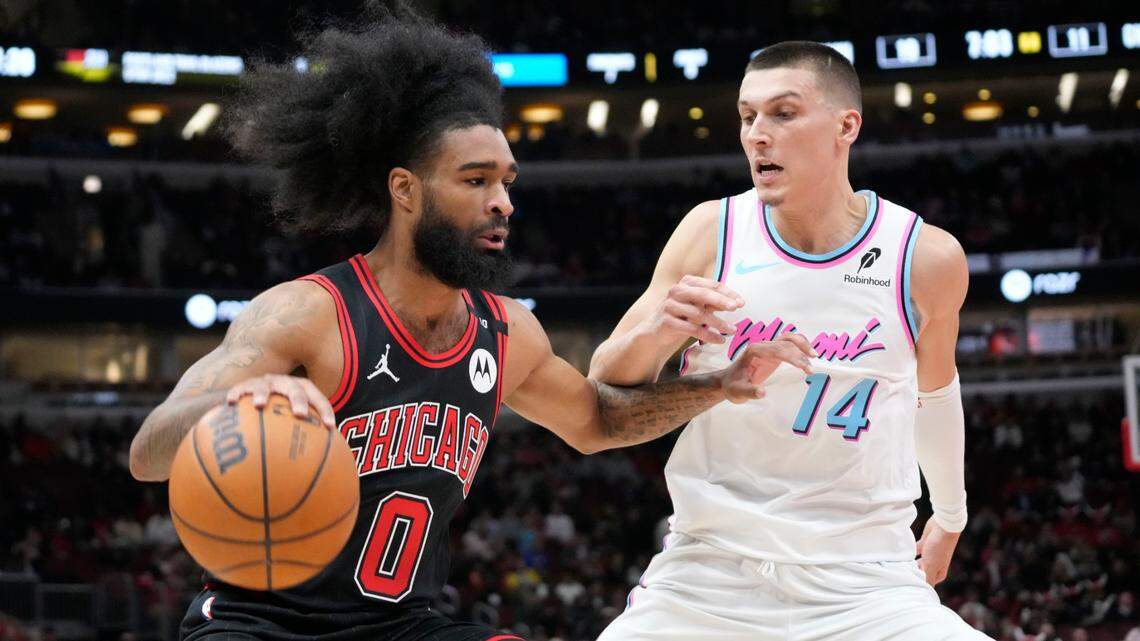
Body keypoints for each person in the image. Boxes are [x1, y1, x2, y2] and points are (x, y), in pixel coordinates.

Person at [126, 6, 814, 641]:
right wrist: (243, 403)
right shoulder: (309, 313)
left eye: (508, 181)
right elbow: (149, 449)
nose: (503, 203)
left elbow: (600, 421)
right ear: (405, 190)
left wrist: (718, 384)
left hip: (403, 625)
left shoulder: (506, 331)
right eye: (476, 180)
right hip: (259, 623)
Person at [590, 41, 989, 640]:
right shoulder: (710, 232)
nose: (757, 134)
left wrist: (951, 516)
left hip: (867, 582)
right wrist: (659, 330)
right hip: (709, 572)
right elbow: (604, 382)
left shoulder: (924, 257)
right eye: (748, 117)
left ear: (846, 125)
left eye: (783, 113)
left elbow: (935, 395)